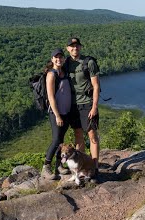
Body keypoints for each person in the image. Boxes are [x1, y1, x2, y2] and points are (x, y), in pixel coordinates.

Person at [65, 37, 101, 181]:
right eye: (72, 46)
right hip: (73, 105)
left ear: (80, 47)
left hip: (87, 103)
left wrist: (94, 107)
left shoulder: (89, 62)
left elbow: (96, 86)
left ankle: (95, 166)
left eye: (77, 46)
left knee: (92, 136)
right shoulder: (66, 63)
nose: (75, 48)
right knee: (78, 136)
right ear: (68, 48)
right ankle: (78, 169)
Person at [41, 48, 79, 180]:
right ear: (52, 59)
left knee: (61, 140)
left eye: (61, 57)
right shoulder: (51, 74)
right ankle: (46, 167)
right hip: (56, 113)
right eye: (56, 57)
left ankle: (59, 166)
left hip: (66, 112)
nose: (59, 59)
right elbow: (51, 97)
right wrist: (57, 115)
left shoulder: (64, 72)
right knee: (56, 140)